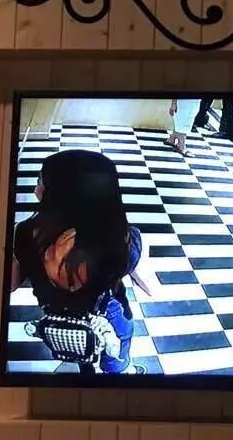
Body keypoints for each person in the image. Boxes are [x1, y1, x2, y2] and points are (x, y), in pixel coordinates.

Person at [10, 150, 156, 374]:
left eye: (40, 181)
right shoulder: (123, 239)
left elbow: (9, 284)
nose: (36, 189)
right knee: (118, 349)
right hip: (109, 317)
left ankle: (85, 374)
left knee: (79, 350)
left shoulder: (25, 233)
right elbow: (151, 288)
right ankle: (119, 373)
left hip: (59, 321)